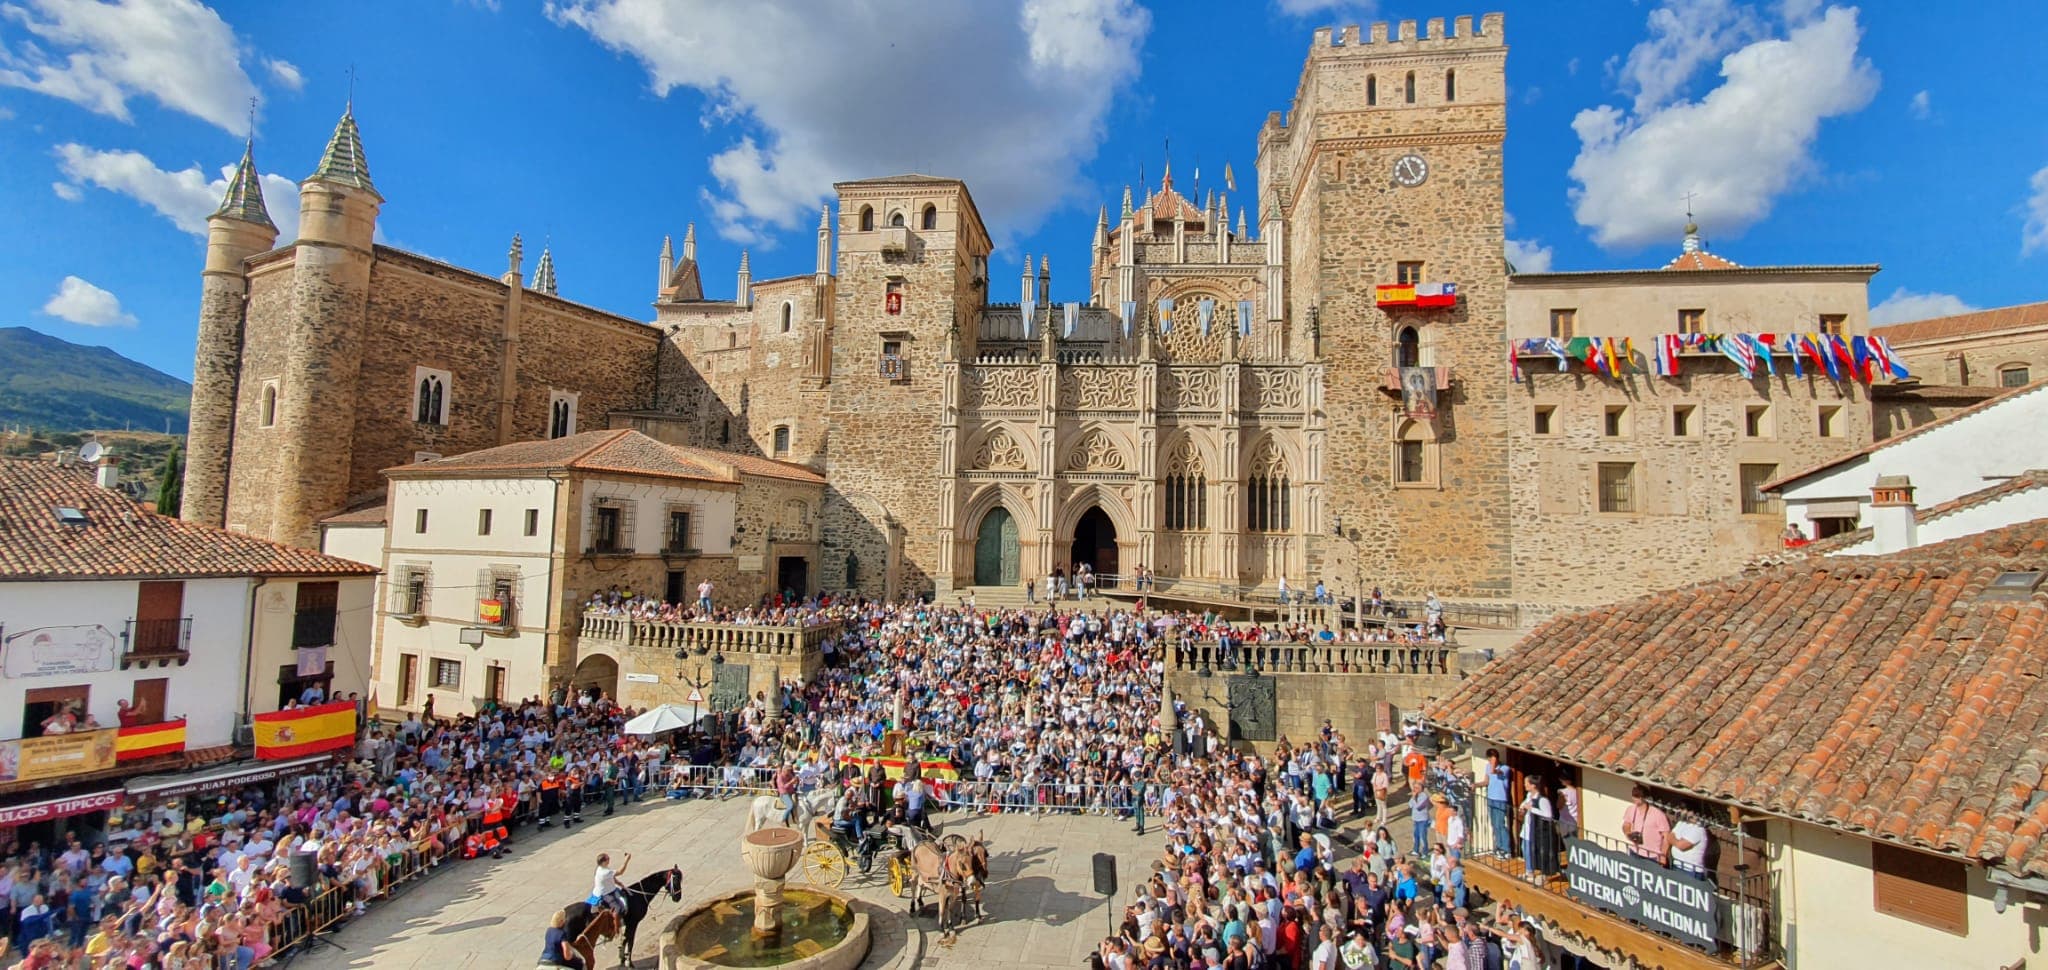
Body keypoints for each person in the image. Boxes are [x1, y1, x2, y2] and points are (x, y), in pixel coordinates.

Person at [1620, 785, 1673, 864]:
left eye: (1637, 796)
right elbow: (1626, 825)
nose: (1635, 799)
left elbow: (1666, 837)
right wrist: (1628, 833)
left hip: (1652, 856)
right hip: (1635, 851)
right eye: (1634, 796)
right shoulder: (1631, 809)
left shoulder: (1658, 814)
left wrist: (1663, 855)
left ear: (1644, 798)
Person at [1483, 750, 1511, 858]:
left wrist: (1493, 765)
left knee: (1500, 824)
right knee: (1494, 824)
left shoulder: (1505, 768)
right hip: (1491, 798)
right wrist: (1475, 785)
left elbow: (1496, 772)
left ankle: (1506, 849)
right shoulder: (1487, 766)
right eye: (1490, 759)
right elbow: (1486, 781)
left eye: (1492, 759)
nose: (1490, 761)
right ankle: (1499, 846)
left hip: (1500, 799)